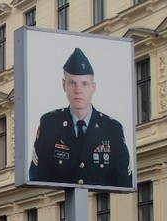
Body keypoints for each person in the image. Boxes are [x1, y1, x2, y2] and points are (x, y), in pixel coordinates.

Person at [29, 47, 132, 188]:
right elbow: (37, 177)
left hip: (100, 203)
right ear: (64, 85)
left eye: (84, 84)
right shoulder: (49, 124)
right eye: (72, 83)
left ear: (93, 87)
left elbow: (124, 182)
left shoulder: (112, 129)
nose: (78, 90)